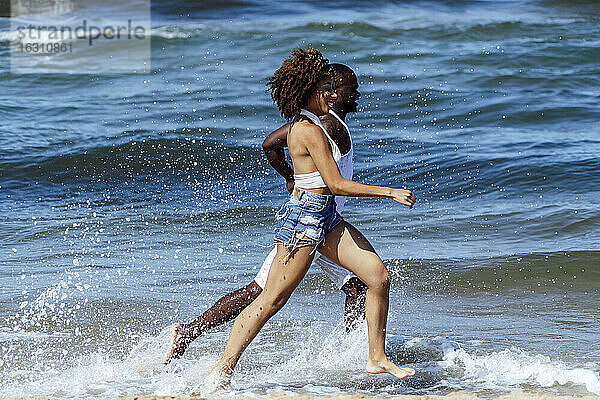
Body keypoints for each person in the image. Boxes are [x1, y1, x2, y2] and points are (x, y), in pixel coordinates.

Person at [208, 47, 416, 387]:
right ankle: (222, 370)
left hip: (326, 219)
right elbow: (336, 184)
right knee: (269, 300)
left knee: (377, 276)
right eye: (326, 89)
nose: (333, 94)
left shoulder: (316, 124)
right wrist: (389, 192)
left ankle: (376, 357)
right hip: (303, 224)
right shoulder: (309, 130)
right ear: (309, 92)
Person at [164, 63, 366, 365]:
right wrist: (292, 176)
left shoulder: (325, 122)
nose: (358, 92)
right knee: (261, 293)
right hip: (310, 225)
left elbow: (272, 144)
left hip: (322, 224)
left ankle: (356, 355)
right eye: (353, 87)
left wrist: (291, 176)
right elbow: (274, 146)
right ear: (334, 93)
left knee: (355, 286)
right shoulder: (328, 124)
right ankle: (190, 336)